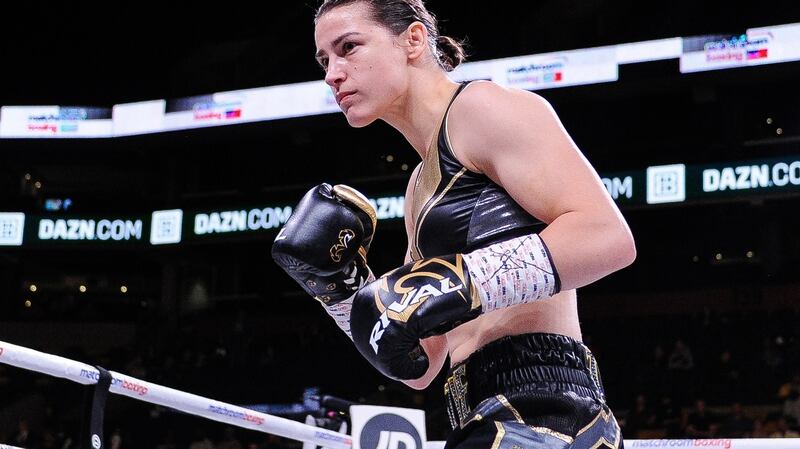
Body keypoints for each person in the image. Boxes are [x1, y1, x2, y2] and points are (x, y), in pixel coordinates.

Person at [272, 1, 636, 448]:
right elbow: (419, 365)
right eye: (325, 60)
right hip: (476, 410)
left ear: (413, 39)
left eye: (349, 47)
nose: (332, 73)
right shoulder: (418, 188)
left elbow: (607, 235)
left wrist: (451, 283)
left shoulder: (482, 107)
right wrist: (341, 290)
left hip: (545, 406)